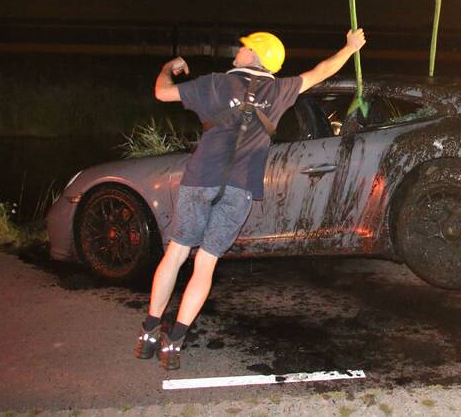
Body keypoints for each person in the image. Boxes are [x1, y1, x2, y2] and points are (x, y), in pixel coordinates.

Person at [134, 28, 366, 370]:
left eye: (243, 48)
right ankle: (175, 342)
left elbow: (161, 92)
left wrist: (169, 67)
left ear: (255, 55)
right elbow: (321, 71)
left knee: (177, 253)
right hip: (240, 188)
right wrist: (349, 48)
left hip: (201, 179)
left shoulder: (215, 83)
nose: (238, 51)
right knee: (206, 264)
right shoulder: (280, 90)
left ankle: (149, 334)